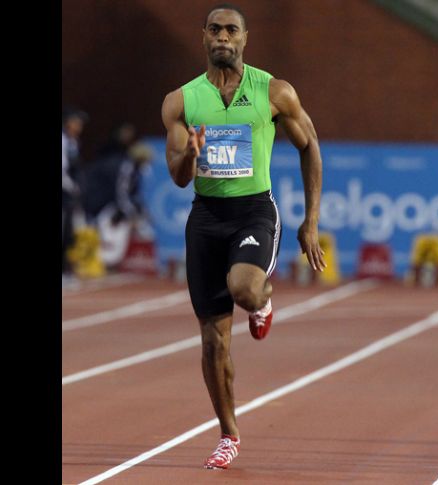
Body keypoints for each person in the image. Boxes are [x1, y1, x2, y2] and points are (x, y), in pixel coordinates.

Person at [160, 3, 326, 469]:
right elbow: (177, 176)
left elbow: (310, 146)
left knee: (245, 289)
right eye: (214, 30)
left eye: (231, 30)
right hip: (207, 217)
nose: (223, 37)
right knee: (213, 340)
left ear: (245, 38)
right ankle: (229, 434)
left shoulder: (274, 91)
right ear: (204, 37)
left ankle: (263, 300)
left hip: (254, 211)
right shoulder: (182, 100)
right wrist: (190, 155)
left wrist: (310, 221)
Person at [62, 106, 89, 277]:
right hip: (65, 192)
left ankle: (66, 268)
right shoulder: (63, 140)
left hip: (69, 195)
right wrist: (73, 187)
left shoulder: (73, 142)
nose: (79, 127)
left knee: (69, 231)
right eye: (76, 123)